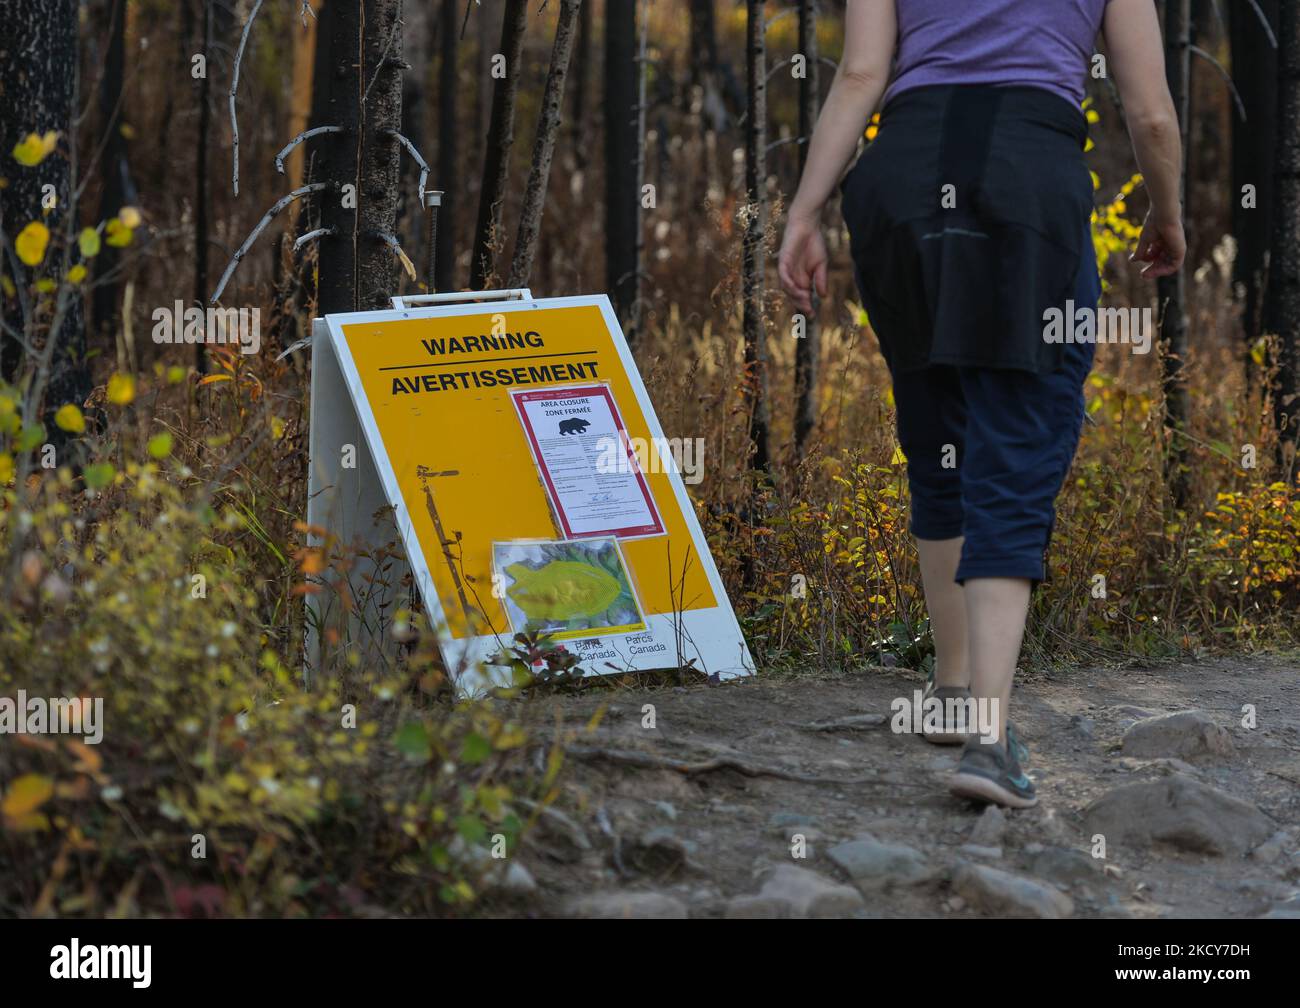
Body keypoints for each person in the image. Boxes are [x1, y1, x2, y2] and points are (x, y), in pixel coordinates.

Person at [778, 0, 1186, 808]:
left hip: (900, 181)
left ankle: (954, 689)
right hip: (1026, 184)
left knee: (939, 434)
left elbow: (862, 74)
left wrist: (804, 210)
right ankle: (989, 743)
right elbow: (1149, 110)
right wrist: (1166, 211)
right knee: (1020, 439)